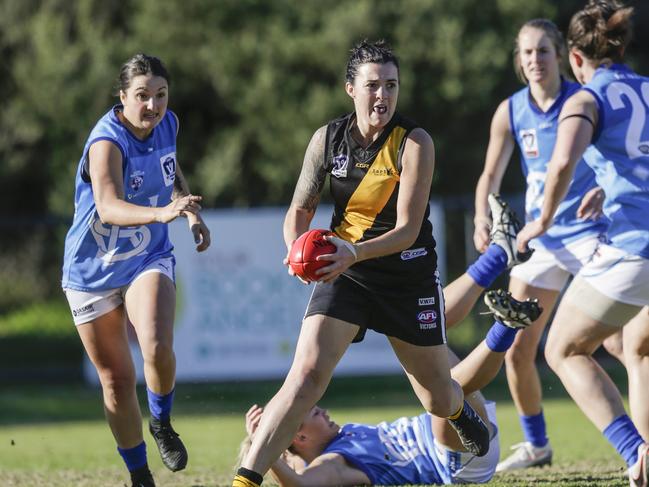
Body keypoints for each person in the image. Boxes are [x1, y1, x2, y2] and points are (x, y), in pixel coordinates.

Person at [232, 39, 496, 487]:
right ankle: (245, 480)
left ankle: (456, 409)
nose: (383, 96)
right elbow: (299, 210)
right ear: (349, 89)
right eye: (373, 85)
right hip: (346, 271)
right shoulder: (327, 139)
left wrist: (355, 250)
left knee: (434, 395)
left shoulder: (414, 142)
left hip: (405, 275)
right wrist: (297, 250)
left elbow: (409, 229)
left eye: (391, 85)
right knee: (306, 376)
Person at [61, 53, 210, 487]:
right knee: (117, 382)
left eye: (160, 95)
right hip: (92, 271)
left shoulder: (169, 123)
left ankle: (161, 421)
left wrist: (188, 213)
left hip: (147, 255)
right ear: (122, 97)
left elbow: (171, 167)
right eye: (142, 96)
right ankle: (140, 475)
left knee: (158, 344)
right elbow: (107, 207)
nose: (153, 105)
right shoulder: (106, 141)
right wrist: (163, 212)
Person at [516, 2, 649, 486]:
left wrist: (540, 221)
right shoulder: (647, 89)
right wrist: (609, 186)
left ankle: (635, 452)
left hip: (635, 248)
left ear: (575, 58)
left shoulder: (586, 98)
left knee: (562, 350)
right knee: (639, 346)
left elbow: (561, 163)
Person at [473, 18, 612, 471]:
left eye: (543, 51)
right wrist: (481, 217)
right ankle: (537, 446)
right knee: (516, 347)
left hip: (595, 233)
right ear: (519, 60)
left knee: (623, 343)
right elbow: (490, 176)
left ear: (561, 55)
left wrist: (608, 191)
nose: (535, 60)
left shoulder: (585, 100)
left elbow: (620, 158)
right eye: (527, 53)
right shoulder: (510, 110)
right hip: (544, 240)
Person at [239, 288, 541, 486]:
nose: (324, 411)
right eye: (314, 413)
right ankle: (506, 323)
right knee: (442, 388)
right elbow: (302, 485)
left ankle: (496, 268)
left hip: (455, 434)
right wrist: (265, 451)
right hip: (455, 460)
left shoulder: (343, 437)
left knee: (430, 350)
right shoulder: (332, 463)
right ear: (299, 435)